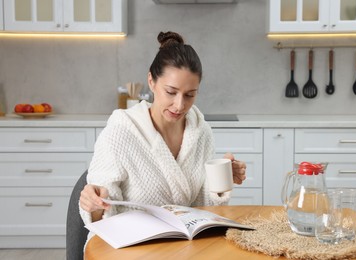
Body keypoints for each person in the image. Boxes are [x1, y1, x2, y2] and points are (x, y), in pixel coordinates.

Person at [79, 31, 246, 230]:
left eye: (190, 95)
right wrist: (94, 203)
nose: (179, 105)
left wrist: (221, 181)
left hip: (182, 243)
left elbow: (203, 209)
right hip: (131, 243)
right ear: (151, 81)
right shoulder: (121, 132)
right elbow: (101, 214)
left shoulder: (200, 132)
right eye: (171, 92)